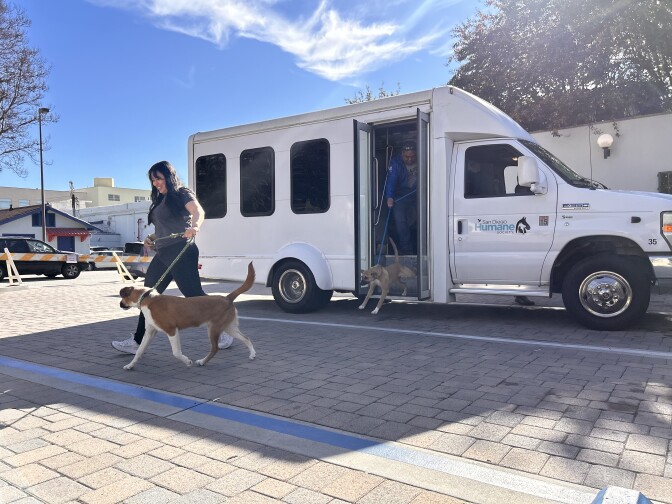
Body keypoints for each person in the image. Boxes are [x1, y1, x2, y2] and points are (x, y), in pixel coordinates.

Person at [111, 161, 234, 354]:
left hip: (181, 251)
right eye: (152, 180)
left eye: (158, 178)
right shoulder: (159, 200)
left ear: (168, 176)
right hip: (163, 253)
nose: (155, 183)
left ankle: (223, 329)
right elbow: (163, 228)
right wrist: (151, 238)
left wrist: (194, 227)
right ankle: (137, 342)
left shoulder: (181, 193)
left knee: (194, 296)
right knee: (145, 297)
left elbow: (198, 211)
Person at [385, 140, 418, 254]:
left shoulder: (424, 158)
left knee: (425, 220)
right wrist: (389, 197)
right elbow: (391, 181)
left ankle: (424, 247)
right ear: (402, 154)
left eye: (413, 157)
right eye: (407, 157)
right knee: (401, 223)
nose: (410, 159)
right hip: (400, 197)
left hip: (418, 195)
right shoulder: (395, 163)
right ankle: (407, 250)